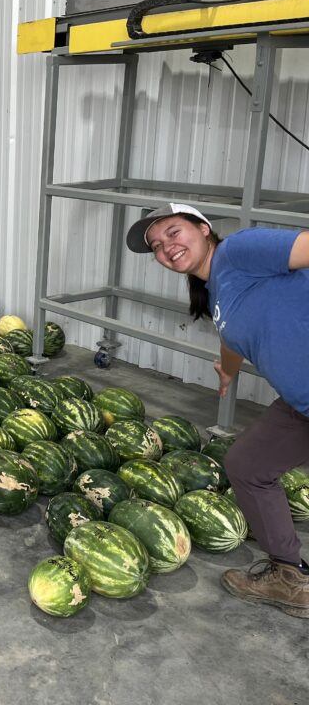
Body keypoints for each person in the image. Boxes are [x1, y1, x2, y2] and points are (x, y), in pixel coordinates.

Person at [126, 201, 309, 617]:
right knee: (247, 465)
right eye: (156, 245)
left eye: (173, 232)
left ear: (204, 228)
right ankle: (291, 578)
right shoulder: (217, 290)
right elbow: (231, 336)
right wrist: (227, 372)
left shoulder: (242, 249)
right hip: (301, 404)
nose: (166, 247)